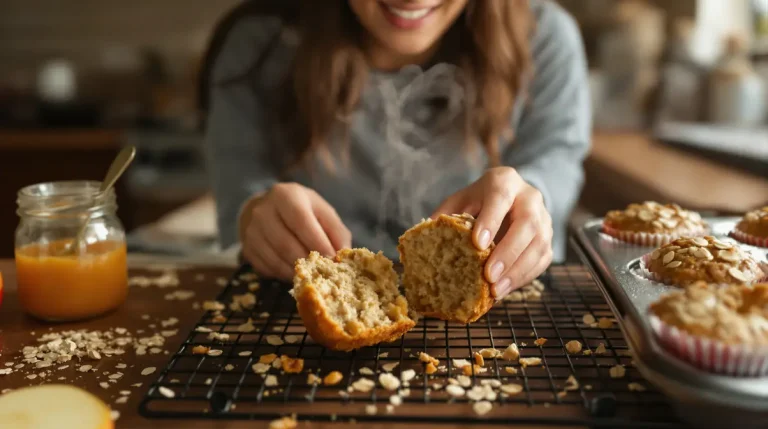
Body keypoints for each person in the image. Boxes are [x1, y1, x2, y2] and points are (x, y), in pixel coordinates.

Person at [204, 0, 591, 300]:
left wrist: (530, 199)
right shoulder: (258, 46)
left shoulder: (543, 36)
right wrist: (254, 213)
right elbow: (241, 181)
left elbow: (557, 158)